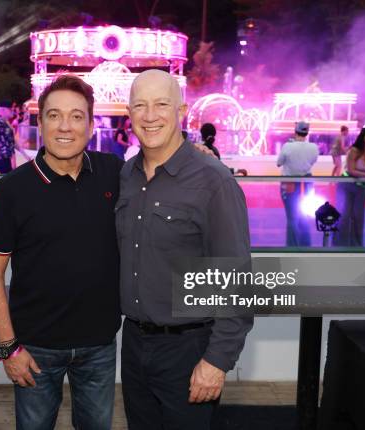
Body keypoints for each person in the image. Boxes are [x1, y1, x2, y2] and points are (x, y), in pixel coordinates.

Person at [0, 75, 122, 430]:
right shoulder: (12, 190)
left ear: (91, 125)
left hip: (99, 345)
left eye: (76, 116)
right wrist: (8, 348)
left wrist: (198, 153)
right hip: (34, 349)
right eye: (54, 115)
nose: (65, 126)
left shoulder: (114, 173)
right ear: (40, 123)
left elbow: (163, 168)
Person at [117, 69, 252, 429]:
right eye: (140, 106)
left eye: (161, 104)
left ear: (181, 109)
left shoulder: (213, 181)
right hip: (133, 344)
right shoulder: (126, 176)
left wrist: (217, 361)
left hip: (190, 348)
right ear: (128, 112)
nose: (150, 116)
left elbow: (236, 280)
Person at [332, 127, 365, 247]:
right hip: (346, 184)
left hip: (362, 187)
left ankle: (356, 246)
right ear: (363, 137)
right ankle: (339, 245)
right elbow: (351, 171)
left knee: (358, 217)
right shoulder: (354, 150)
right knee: (344, 217)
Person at [276, 121, 318, 247]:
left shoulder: (287, 146)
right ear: (307, 132)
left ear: (295, 131)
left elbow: (279, 163)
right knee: (304, 215)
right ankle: (305, 245)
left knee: (292, 217)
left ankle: (292, 246)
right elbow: (312, 162)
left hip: (289, 182)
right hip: (307, 183)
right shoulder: (313, 147)